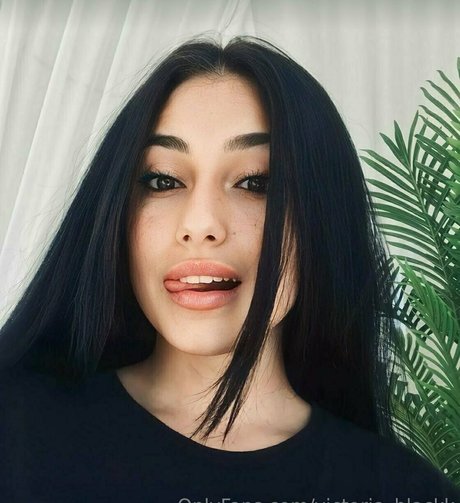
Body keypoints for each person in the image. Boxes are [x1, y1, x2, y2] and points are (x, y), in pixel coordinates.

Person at [0, 35, 458, 503]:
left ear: (322, 218)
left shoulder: (407, 491)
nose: (201, 225)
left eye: (256, 182)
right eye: (163, 180)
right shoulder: (15, 434)